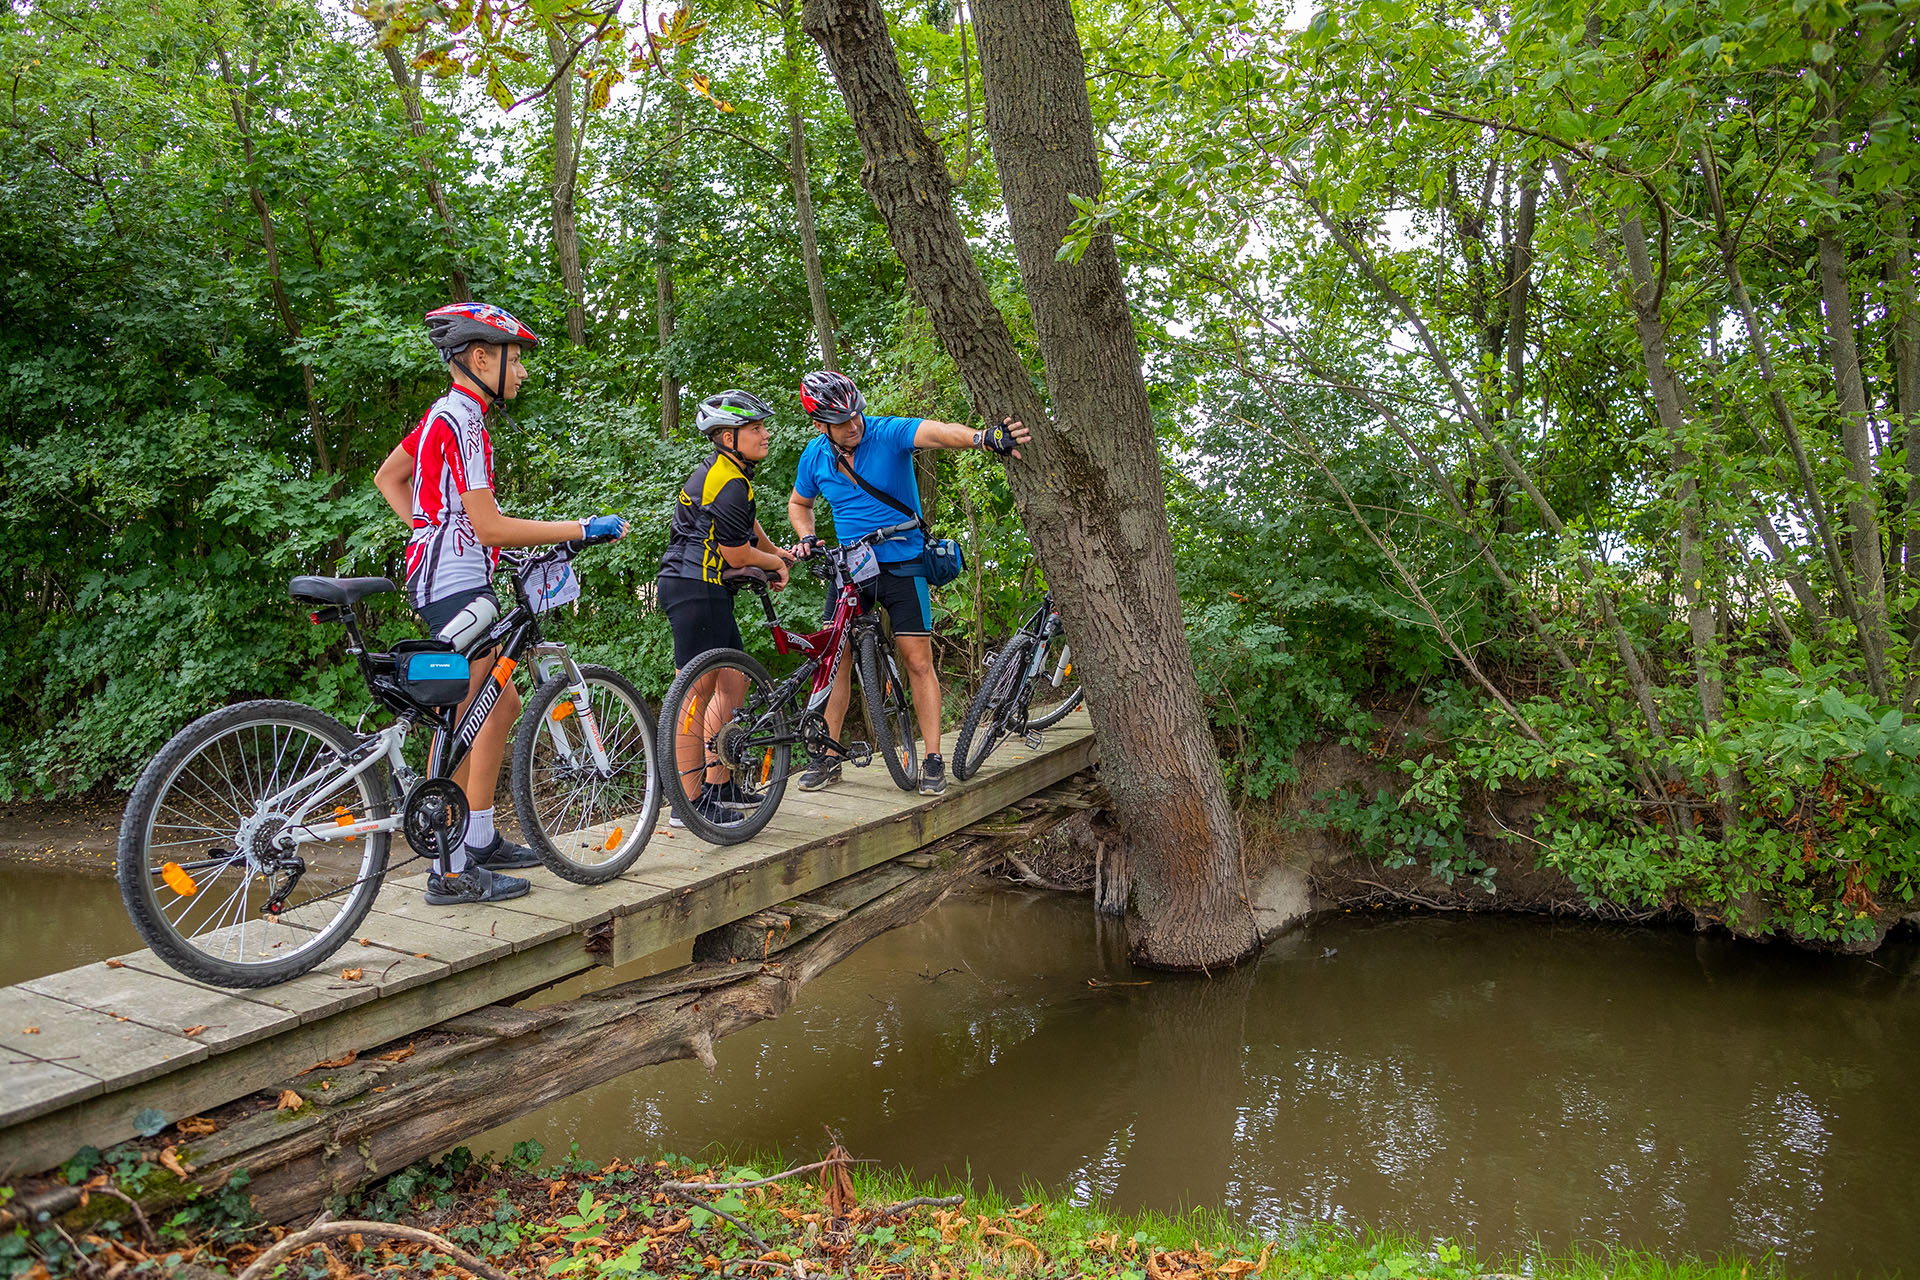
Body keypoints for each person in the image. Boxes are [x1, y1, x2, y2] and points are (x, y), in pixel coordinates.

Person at [372, 301, 627, 905]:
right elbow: (487, 526)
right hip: (454, 579)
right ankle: (450, 868)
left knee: (500, 704)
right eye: (516, 360)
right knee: (464, 713)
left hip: (449, 572)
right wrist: (580, 527)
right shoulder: (462, 420)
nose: (523, 372)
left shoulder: (444, 415)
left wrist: (430, 529)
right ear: (481, 356)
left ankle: (479, 836)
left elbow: (389, 478)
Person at [787, 370, 1029, 796]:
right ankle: (828, 755)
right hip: (850, 571)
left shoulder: (887, 431)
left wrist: (985, 438)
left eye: (856, 415)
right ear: (819, 425)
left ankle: (933, 758)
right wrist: (806, 534)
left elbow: (938, 433)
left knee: (918, 660)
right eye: (841, 422)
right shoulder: (814, 456)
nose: (854, 425)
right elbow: (799, 503)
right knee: (834, 663)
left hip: (902, 564)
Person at [657, 390, 793, 829]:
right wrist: (773, 564)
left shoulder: (730, 476)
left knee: (733, 683)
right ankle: (686, 802)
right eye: (755, 429)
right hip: (694, 587)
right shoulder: (729, 481)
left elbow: (746, 528)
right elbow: (737, 554)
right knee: (693, 693)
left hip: (708, 589)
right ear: (728, 437)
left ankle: (719, 784)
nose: (765, 434)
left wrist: (777, 553)